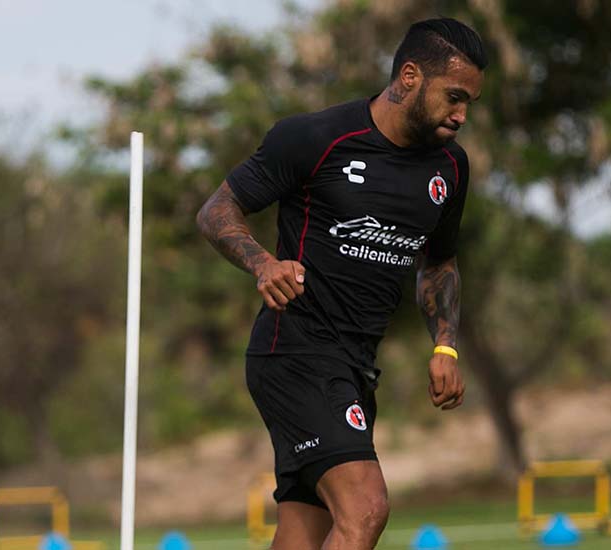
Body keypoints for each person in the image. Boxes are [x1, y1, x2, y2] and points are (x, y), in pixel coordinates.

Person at [196, 17, 486, 550]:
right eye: (454, 97)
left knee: (306, 535)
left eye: (469, 102)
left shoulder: (451, 167)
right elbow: (218, 209)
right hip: (295, 351)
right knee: (366, 508)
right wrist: (263, 263)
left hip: (356, 367)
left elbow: (439, 262)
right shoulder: (317, 138)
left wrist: (445, 344)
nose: (462, 114)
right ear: (409, 77)